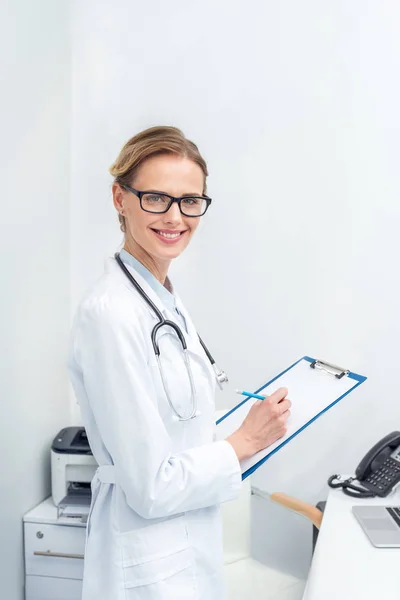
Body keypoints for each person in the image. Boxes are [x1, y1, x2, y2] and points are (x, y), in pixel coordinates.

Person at [68, 126, 291, 600]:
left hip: (187, 547)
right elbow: (150, 487)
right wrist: (241, 442)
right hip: (146, 564)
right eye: (156, 198)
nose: (175, 217)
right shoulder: (111, 313)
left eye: (190, 201)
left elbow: (179, 429)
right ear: (119, 198)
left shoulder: (162, 300)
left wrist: (250, 433)